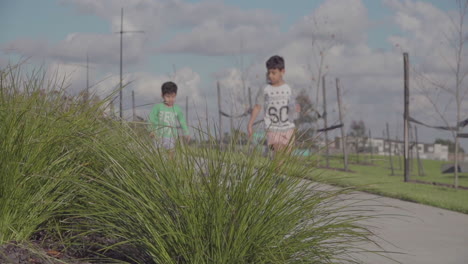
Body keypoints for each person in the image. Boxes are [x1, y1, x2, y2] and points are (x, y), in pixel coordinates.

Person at [247, 55, 300, 156]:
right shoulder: (265, 89)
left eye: (273, 73)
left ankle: (277, 170)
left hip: (288, 128)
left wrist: (296, 108)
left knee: (285, 159)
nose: (270, 75)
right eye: (269, 72)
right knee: (279, 154)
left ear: (282, 72)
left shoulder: (289, 88)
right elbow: (258, 106)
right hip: (272, 128)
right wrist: (250, 124)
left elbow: (293, 105)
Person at [148, 81, 190, 153]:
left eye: (173, 97)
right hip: (158, 136)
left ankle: (170, 164)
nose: (170, 99)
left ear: (176, 95)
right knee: (157, 154)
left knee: (171, 154)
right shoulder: (158, 107)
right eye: (168, 96)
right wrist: (151, 130)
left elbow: (182, 121)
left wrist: (186, 133)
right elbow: (151, 118)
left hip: (171, 136)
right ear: (162, 95)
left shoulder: (177, 108)